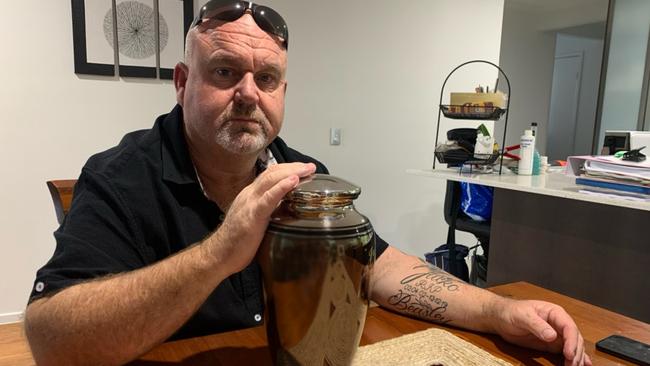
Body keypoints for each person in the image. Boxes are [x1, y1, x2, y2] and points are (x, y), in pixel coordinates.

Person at [24, 1, 591, 365]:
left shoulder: (299, 172)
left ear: (283, 95)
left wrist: (496, 312)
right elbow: (51, 340)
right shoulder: (119, 177)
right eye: (224, 72)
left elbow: (380, 266)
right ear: (181, 81)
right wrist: (222, 251)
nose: (248, 92)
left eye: (266, 78)